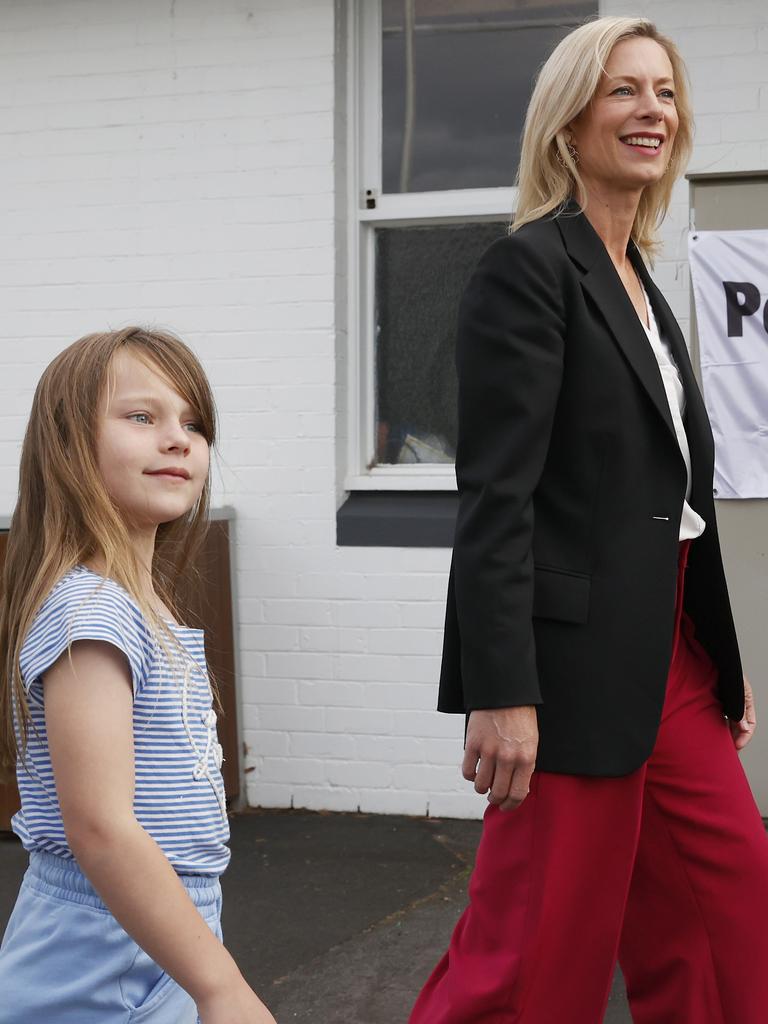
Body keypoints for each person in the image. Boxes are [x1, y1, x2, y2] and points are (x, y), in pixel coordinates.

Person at [410, 16, 768, 1024]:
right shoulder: (530, 270)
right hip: (564, 671)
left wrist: (721, 666)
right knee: (533, 956)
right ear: (570, 121)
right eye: (624, 90)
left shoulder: (646, 284)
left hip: (673, 660)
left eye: (663, 92)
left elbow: (672, 501)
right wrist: (500, 688)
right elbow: (496, 495)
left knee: (724, 908)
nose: (650, 109)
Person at [0, 328, 276, 1024]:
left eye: (193, 423)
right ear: (69, 446)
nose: (179, 439)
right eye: (141, 417)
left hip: (151, 922)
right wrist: (221, 987)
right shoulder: (91, 611)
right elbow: (99, 826)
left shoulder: (131, 604)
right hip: (102, 940)